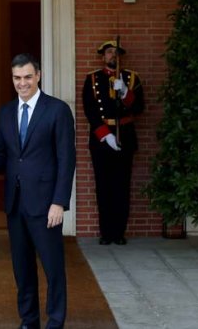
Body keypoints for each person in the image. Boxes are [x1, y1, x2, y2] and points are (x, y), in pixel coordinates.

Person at [0, 53, 76, 328]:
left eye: (27, 77)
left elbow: (66, 159)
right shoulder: (6, 112)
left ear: (38, 76)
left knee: (52, 267)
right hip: (15, 203)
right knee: (22, 269)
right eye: (17, 78)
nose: (22, 83)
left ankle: (55, 321)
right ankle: (29, 320)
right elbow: (2, 156)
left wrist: (59, 202)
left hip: (46, 205)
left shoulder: (57, 110)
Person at [81, 40, 144, 246]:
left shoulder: (131, 78)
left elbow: (140, 108)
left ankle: (119, 232)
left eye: (116, 53)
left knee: (121, 186)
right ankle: (106, 232)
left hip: (124, 135)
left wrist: (125, 92)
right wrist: (105, 134)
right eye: (109, 52)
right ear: (103, 57)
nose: (112, 56)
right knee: (104, 186)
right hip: (101, 139)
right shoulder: (92, 79)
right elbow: (89, 109)